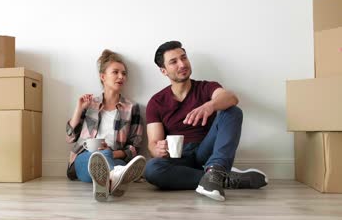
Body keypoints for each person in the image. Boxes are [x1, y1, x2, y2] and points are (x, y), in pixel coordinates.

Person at [144, 41, 267, 201]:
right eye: (174, 62)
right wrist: (158, 149)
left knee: (232, 111)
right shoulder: (156, 102)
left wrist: (211, 105)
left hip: (206, 151)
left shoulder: (205, 87)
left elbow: (231, 98)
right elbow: (153, 144)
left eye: (184, 58)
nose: (182, 64)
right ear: (163, 70)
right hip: (179, 158)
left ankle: (215, 170)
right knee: (152, 170)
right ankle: (221, 178)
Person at [65, 49, 146, 202]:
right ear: (103, 77)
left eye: (123, 73)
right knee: (99, 157)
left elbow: (135, 147)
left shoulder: (132, 108)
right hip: (85, 159)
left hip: (115, 157)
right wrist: (79, 108)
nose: (121, 76)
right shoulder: (90, 105)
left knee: (106, 156)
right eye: (115, 72)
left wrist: (111, 153)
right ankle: (115, 179)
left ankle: (105, 183)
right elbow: (70, 138)